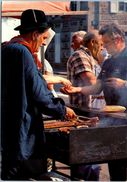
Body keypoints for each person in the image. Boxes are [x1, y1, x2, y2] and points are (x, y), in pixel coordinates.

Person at [1, 9, 76, 180]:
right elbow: (38, 93)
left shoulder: (6, 49)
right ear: (35, 34)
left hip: (7, 128)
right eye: (43, 38)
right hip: (22, 131)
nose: (44, 43)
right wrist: (62, 110)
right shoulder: (23, 53)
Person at [61, 23, 127, 181]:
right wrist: (77, 90)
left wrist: (124, 84)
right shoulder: (109, 62)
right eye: (102, 43)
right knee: (115, 161)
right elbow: (96, 87)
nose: (103, 47)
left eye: (106, 43)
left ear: (117, 40)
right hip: (114, 120)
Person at [66, 30, 105, 109]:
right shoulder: (80, 55)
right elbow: (93, 83)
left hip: (93, 110)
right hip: (83, 110)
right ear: (93, 42)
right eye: (101, 44)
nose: (102, 48)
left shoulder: (91, 57)